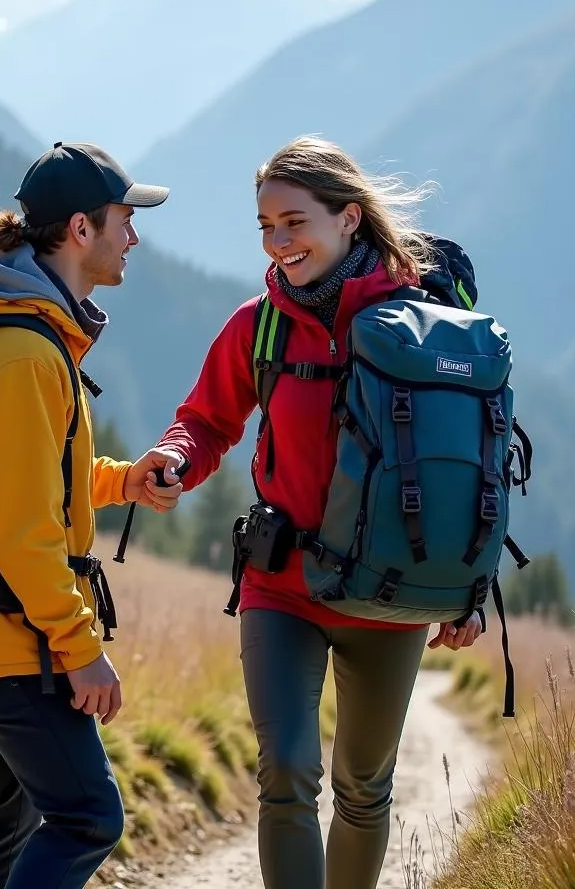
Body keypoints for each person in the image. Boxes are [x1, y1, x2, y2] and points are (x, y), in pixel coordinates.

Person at [152, 136, 484, 889]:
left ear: (351, 219)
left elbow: (468, 466)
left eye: (294, 222)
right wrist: (174, 457)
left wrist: (470, 587)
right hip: (283, 586)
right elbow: (206, 420)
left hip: (388, 594)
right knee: (288, 771)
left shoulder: (426, 332)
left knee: (364, 789)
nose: (278, 243)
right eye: (266, 226)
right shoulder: (260, 325)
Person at [0, 141, 186, 889]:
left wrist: (125, 480)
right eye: (123, 221)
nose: (133, 236)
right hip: (11, 643)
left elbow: (34, 482)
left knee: (8, 811)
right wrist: (79, 647)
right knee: (87, 818)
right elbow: (25, 532)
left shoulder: (16, 330)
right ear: (79, 230)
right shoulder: (22, 355)